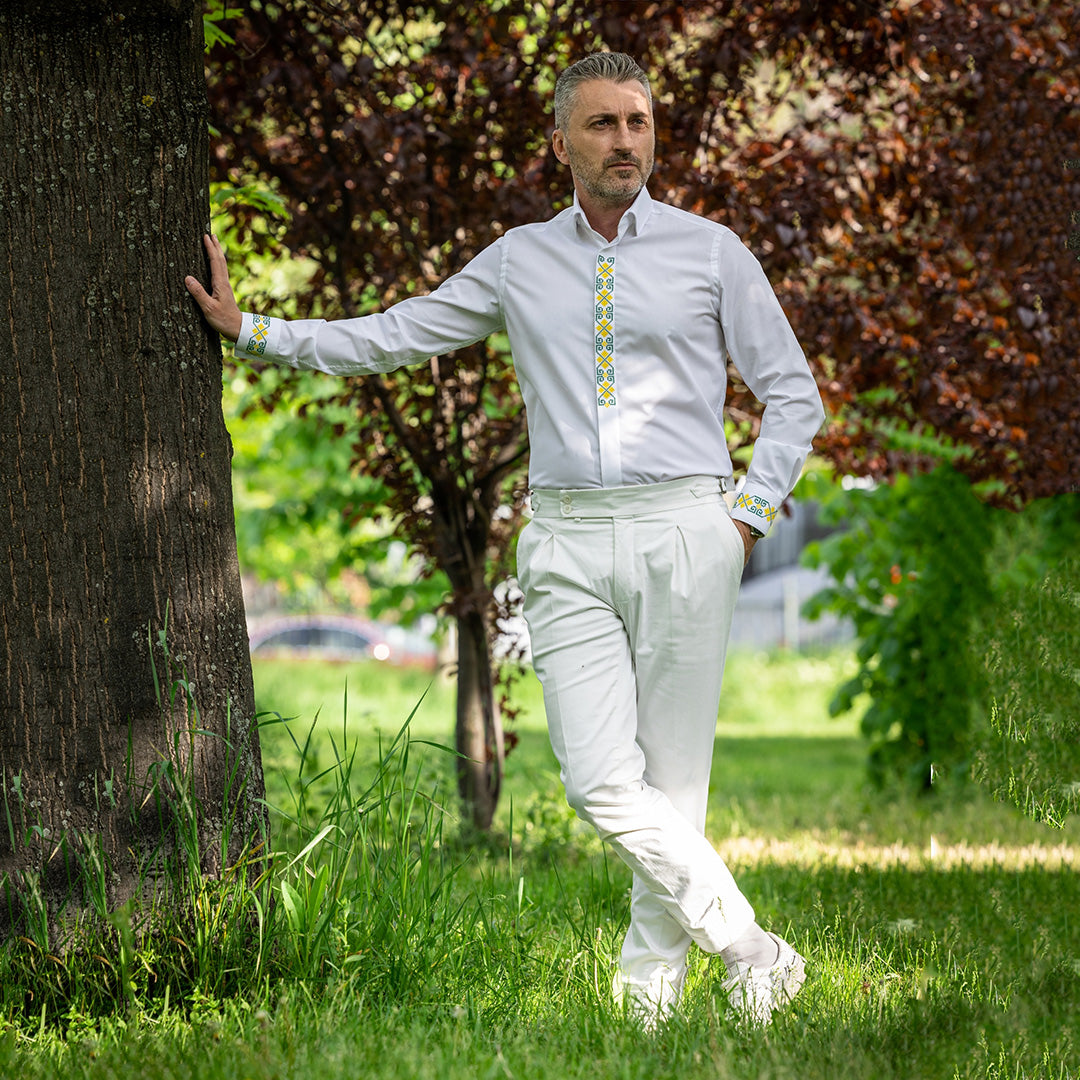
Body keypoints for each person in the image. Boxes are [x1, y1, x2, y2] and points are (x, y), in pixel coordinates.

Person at [187, 51, 825, 1026]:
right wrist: (257, 331)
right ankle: (754, 948)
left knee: (674, 786)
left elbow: (793, 395)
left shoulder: (711, 252)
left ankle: (647, 1006)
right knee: (601, 779)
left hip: (687, 527)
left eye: (640, 122)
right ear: (561, 140)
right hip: (563, 541)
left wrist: (748, 517)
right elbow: (399, 333)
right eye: (605, 123)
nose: (626, 141)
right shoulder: (519, 260)